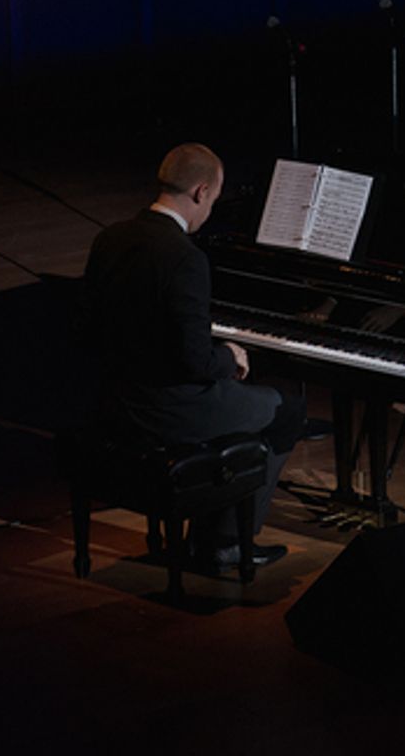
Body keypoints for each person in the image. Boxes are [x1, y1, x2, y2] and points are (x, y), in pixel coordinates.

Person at [82, 143, 303, 573]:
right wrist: (230, 355)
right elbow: (194, 363)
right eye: (215, 199)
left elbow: (86, 330)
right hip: (166, 411)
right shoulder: (185, 257)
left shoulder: (109, 238)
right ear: (201, 192)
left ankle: (211, 527)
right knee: (286, 409)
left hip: (113, 401)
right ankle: (224, 543)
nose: (210, 210)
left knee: (238, 403)